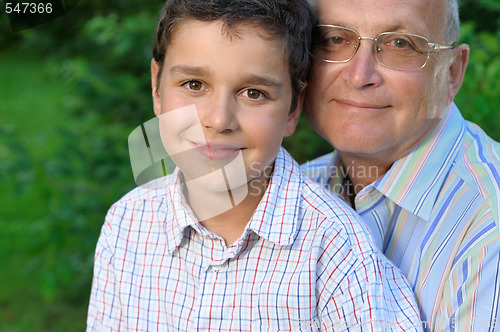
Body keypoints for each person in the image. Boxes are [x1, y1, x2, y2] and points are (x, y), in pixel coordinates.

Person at [86, 0, 423, 330]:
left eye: (253, 93)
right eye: (194, 85)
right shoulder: (126, 225)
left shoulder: (335, 252)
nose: (219, 120)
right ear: (157, 87)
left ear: (293, 109)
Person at [302, 0, 500, 330]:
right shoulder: (289, 192)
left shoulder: (489, 222)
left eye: (399, 44)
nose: (359, 75)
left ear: (452, 72)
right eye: (334, 39)